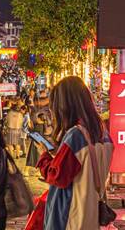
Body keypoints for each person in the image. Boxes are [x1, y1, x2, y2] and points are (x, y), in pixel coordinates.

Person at [36, 76, 113, 229]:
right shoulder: (104, 134)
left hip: (70, 216)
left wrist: (44, 156)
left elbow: (57, 176)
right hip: (91, 214)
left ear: (65, 106)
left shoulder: (76, 136)